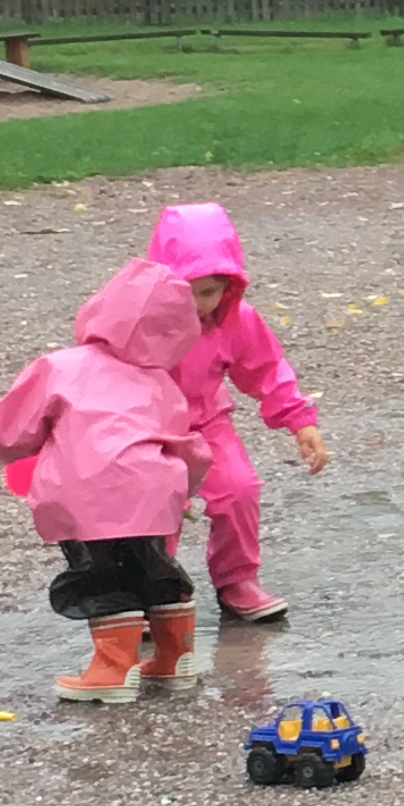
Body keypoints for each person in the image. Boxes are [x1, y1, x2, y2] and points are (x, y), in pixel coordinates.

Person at [0, 255, 213, 704]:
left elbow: (11, 431)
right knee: (151, 562)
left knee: (99, 570)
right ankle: (175, 657)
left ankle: (112, 669)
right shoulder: (160, 380)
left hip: (88, 487)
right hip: (154, 485)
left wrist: (0, 449)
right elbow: (176, 433)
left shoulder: (61, 367)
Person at [145, 200, 327, 624]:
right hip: (147, 429)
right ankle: (152, 590)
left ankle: (237, 580)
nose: (197, 304)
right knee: (152, 506)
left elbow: (266, 369)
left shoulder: (235, 320)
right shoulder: (139, 321)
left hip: (207, 422)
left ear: (228, 286)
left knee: (239, 490)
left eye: (208, 292)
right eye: (184, 292)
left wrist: (300, 420)